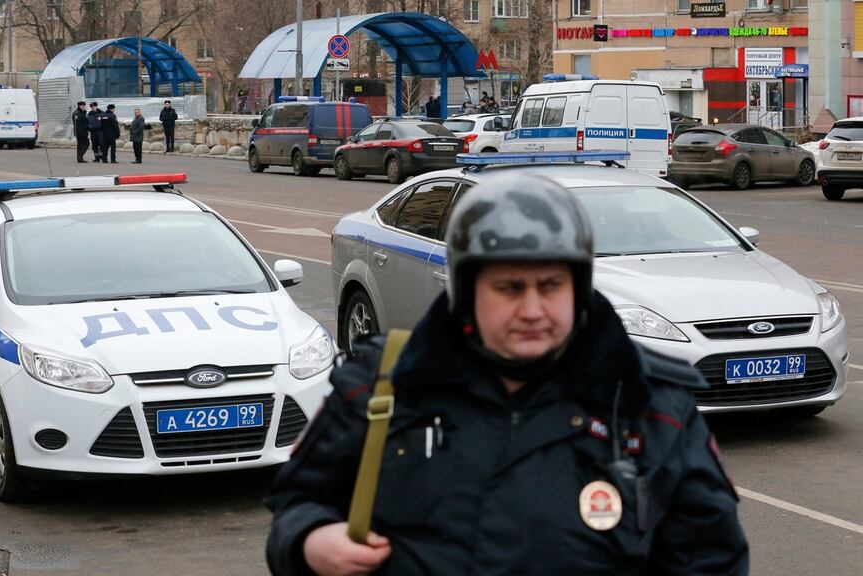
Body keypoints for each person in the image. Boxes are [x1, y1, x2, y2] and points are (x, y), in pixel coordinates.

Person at [265, 174, 749, 575]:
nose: (534, 309)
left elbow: (712, 558)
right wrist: (310, 541)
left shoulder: (650, 406)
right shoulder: (384, 386)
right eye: (510, 288)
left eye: (551, 286)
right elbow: (300, 502)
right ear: (467, 291)